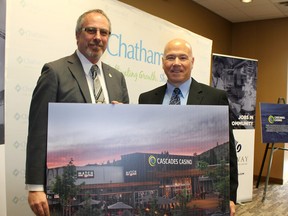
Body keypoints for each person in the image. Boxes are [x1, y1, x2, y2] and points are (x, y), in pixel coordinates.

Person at [26, 9, 129, 216]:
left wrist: (123, 117)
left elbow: (125, 131)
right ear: (77, 35)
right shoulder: (55, 71)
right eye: (91, 30)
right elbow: (38, 130)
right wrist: (35, 187)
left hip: (108, 181)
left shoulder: (117, 77)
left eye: (104, 32)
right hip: (69, 183)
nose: (98, 38)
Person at [138, 38, 238, 216]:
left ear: (192, 62)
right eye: (170, 58)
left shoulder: (215, 97)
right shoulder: (146, 99)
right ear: (163, 63)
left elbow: (230, 152)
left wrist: (230, 196)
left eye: (182, 58)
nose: (176, 63)